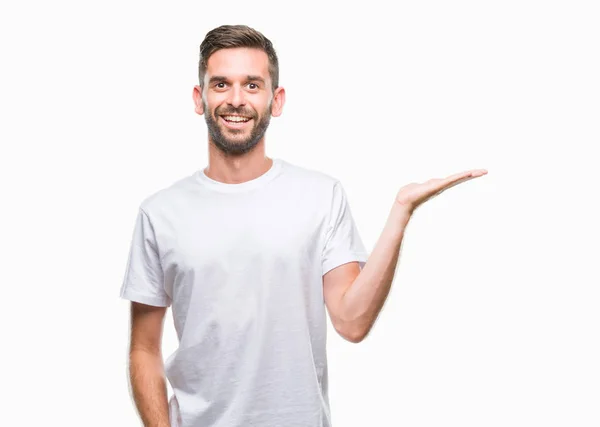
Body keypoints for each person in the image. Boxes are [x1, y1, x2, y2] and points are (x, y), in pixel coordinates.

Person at [119, 24, 487, 427]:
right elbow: (144, 349)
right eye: (221, 84)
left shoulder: (320, 196)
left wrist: (401, 213)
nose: (236, 99)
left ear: (276, 100)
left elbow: (352, 320)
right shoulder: (160, 213)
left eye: (252, 85)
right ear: (199, 97)